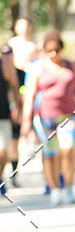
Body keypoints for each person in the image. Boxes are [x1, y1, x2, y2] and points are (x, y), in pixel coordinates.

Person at [22, 31, 75, 205]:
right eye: (49, 51)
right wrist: (26, 120)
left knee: (69, 151)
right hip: (45, 117)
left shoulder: (72, 67)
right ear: (44, 51)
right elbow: (30, 95)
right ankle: (54, 188)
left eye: (56, 50)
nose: (53, 54)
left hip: (70, 116)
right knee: (50, 153)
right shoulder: (38, 67)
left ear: (62, 49)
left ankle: (68, 186)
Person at [8, 18, 37, 186]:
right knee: (16, 121)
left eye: (27, 25)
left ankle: (30, 141)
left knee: (32, 112)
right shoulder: (12, 43)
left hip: (31, 81)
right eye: (21, 25)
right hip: (17, 83)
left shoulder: (35, 44)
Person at [0, 45, 22, 195]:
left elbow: (15, 87)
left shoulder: (5, 65)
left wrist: (17, 108)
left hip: (2, 113)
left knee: (3, 150)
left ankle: (0, 177)